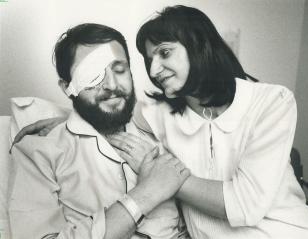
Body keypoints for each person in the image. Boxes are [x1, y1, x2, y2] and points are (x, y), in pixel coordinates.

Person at [12, 5, 308, 239]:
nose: (155, 68)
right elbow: (101, 107)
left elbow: (246, 205)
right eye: (148, 60)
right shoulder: (155, 114)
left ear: (198, 46)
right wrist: (57, 116)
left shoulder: (272, 101)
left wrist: (165, 179)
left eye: (164, 53)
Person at [8, 23, 191, 239]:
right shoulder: (38, 152)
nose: (112, 85)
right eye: (92, 75)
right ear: (67, 87)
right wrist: (145, 195)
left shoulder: (161, 126)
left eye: (120, 70)